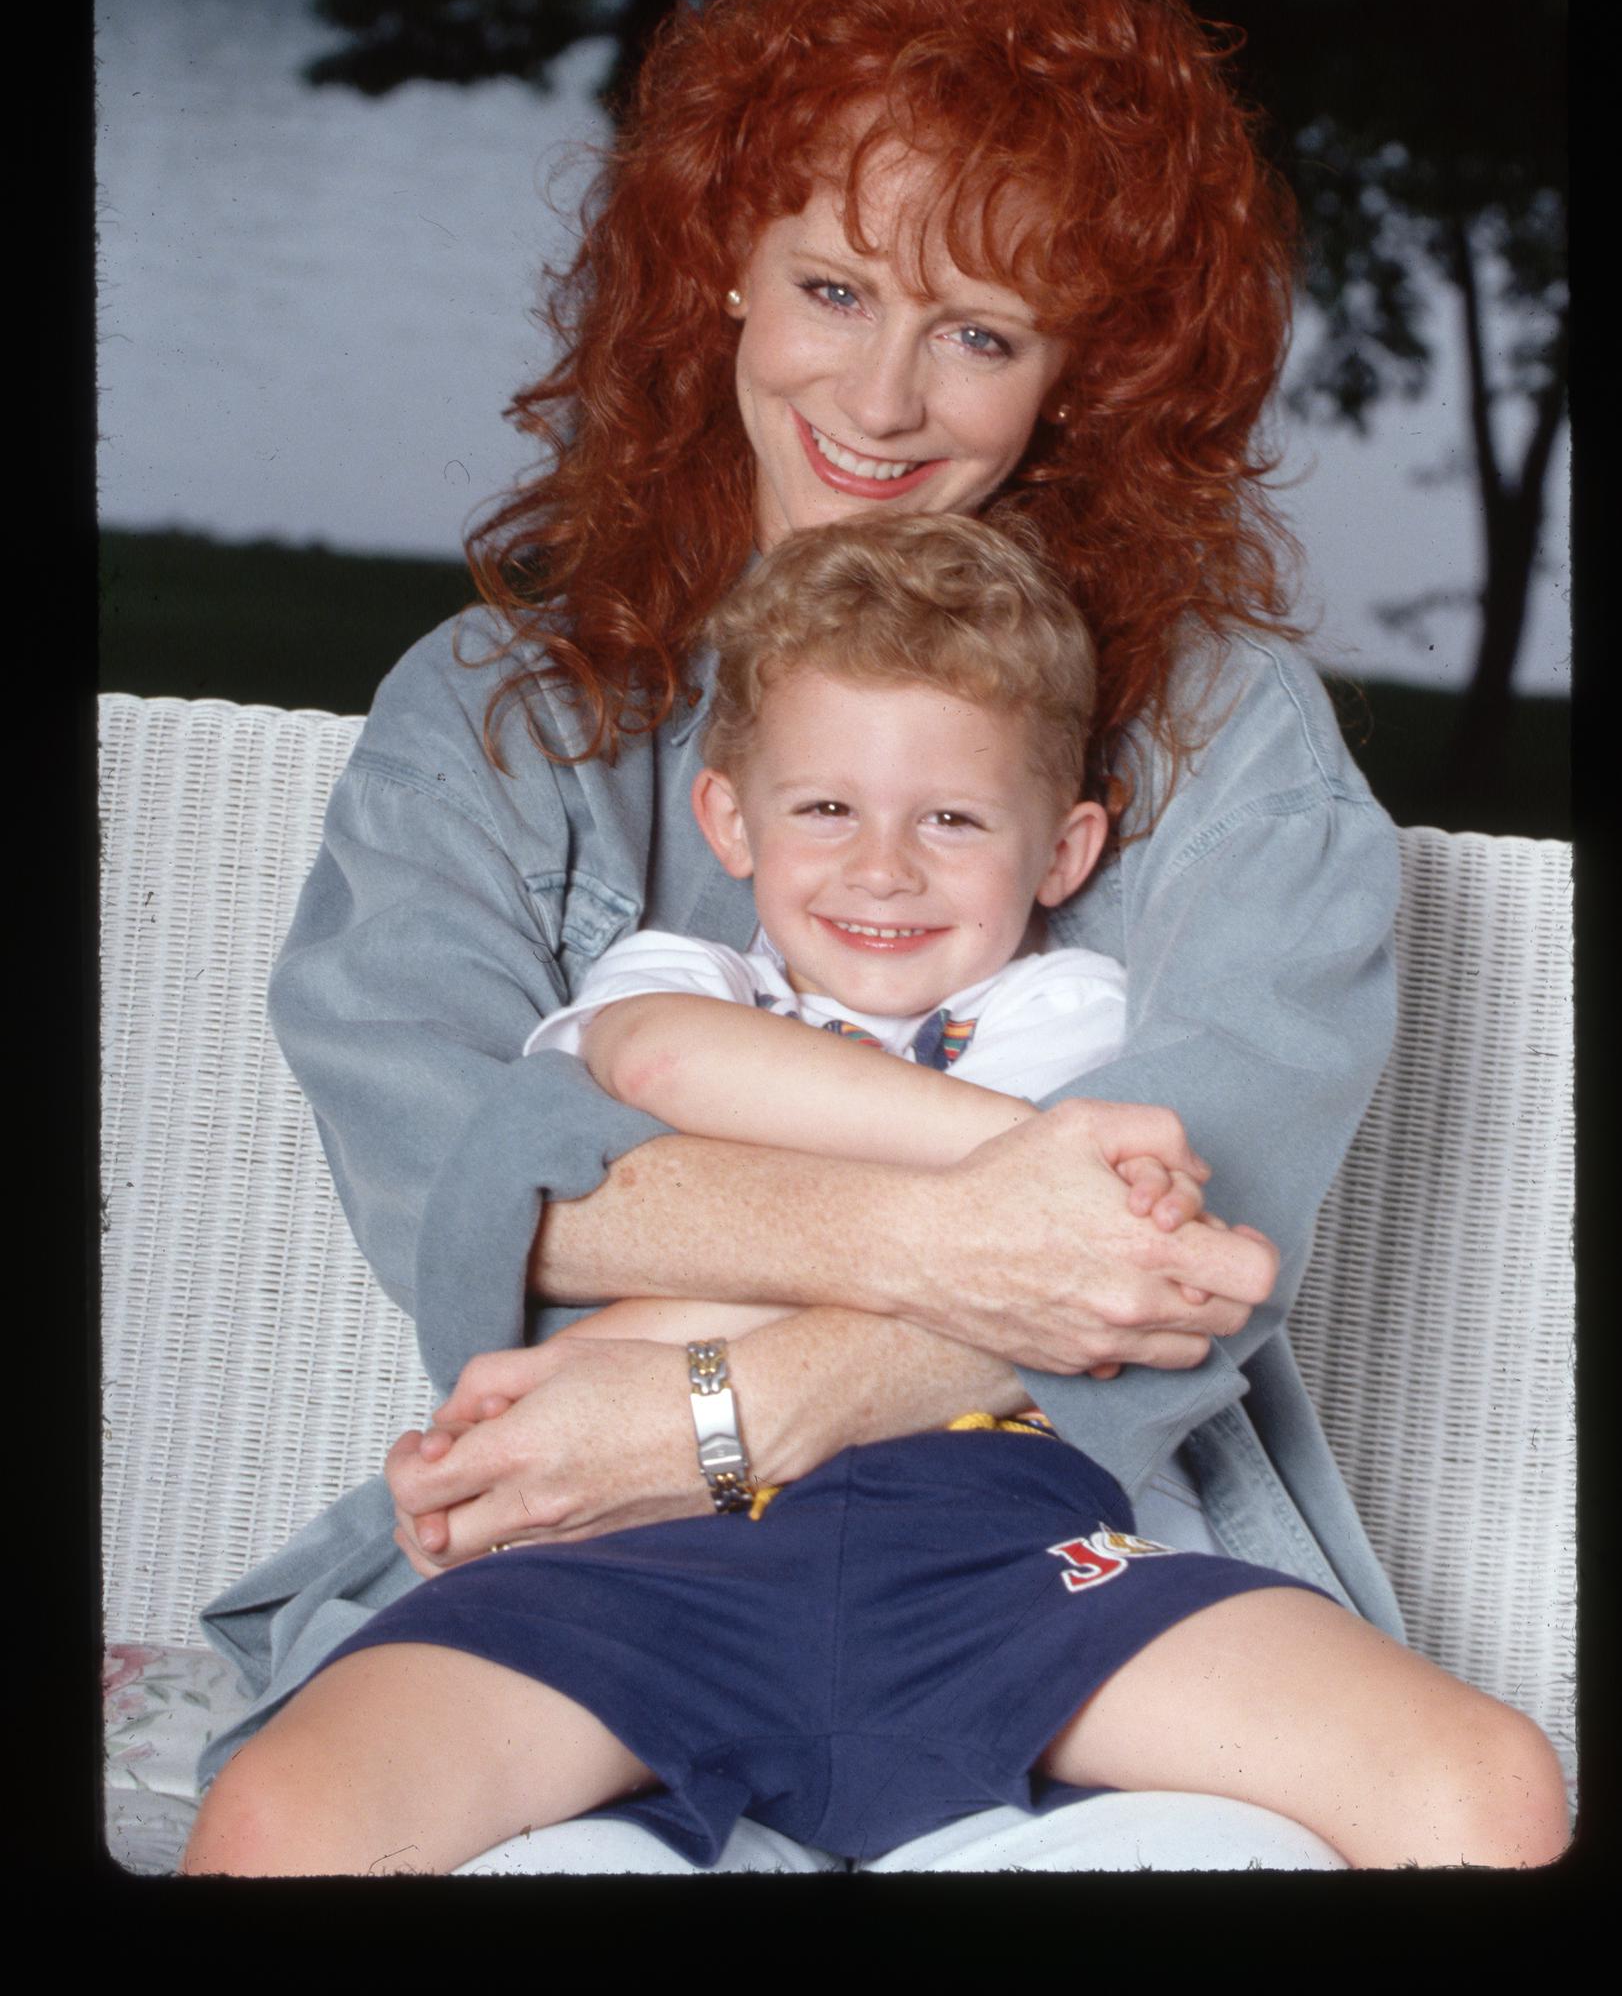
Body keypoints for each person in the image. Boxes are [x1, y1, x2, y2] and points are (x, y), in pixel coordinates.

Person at [187, 0, 1568, 1874]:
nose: (886, 400)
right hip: (590, 1527)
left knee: (1446, 1811)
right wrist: (955, 1234)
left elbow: (1196, 1238)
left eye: (982, 333)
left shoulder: (1223, 730)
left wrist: (731, 1400)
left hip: (1053, 1531)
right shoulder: (488, 715)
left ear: (1082, 375)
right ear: (717, 276)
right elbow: (453, 1171)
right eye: (834, 288)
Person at [184, 511, 1566, 1873]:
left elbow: (1132, 1266)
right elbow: (667, 1061)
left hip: (1004, 1549)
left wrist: (692, 1298)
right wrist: (997, 1185)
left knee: (1481, 1789)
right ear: (726, 817)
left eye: (953, 818)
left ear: (1066, 853)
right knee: (278, 1822)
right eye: (825, 807)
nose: (881, 868)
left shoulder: (1067, 1008)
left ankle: (1053, 1841)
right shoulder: (690, 983)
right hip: (638, 1548)